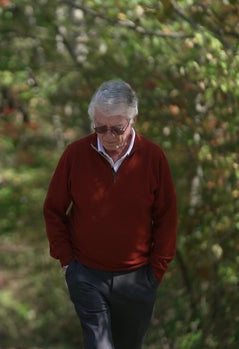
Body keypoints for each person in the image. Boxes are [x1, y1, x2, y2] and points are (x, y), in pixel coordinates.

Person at [42, 79, 177, 349]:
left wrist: (156, 270)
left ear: (133, 119)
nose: (109, 136)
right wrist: (68, 263)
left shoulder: (152, 157)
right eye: (100, 128)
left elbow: (166, 217)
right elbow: (54, 210)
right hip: (87, 275)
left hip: (138, 278)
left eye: (117, 128)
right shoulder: (75, 155)